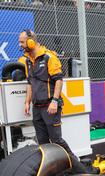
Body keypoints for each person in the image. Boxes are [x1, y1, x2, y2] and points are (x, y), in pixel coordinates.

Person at [19, 29, 83, 165]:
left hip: (50, 106)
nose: (20, 45)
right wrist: (27, 101)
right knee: (42, 142)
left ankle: (75, 164)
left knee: (56, 140)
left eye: (22, 42)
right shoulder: (28, 60)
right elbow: (30, 82)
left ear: (31, 42)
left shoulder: (49, 57)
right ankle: (52, 167)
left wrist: (54, 101)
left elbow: (59, 80)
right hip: (37, 107)